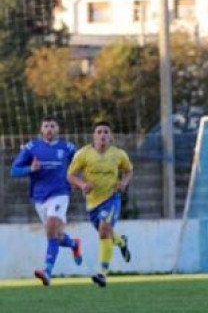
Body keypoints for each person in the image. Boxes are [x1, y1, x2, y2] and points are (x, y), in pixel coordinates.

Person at [9, 117, 82, 286]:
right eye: (46, 126)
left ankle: (47, 271)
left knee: (50, 232)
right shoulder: (31, 147)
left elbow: (82, 163)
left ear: (58, 129)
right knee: (57, 235)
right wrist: (30, 169)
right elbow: (14, 170)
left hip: (60, 194)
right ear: (41, 130)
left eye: (52, 126)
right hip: (39, 197)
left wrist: (81, 181)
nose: (49, 129)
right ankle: (74, 244)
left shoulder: (67, 147)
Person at [67, 121, 133, 287]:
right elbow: (70, 175)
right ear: (94, 135)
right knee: (107, 232)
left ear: (111, 136)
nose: (102, 135)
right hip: (92, 203)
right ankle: (122, 242)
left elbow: (129, 170)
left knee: (104, 231)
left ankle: (102, 273)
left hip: (111, 198)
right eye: (99, 132)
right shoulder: (83, 154)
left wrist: (123, 183)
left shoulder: (118, 154)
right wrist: (82, 185)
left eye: (106, 132)